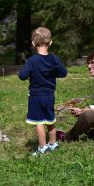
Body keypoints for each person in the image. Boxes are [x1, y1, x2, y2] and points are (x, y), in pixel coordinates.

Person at [18, 27, 67, 155]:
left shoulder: (32, 61)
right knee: (50, 120)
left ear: (33, 43)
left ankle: (42, 147)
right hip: (50, 96)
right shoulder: (54, 59)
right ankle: (53, 143)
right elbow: (63, 73)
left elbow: (22, 76)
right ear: (50, 43)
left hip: (36, 96)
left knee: (39, 122)